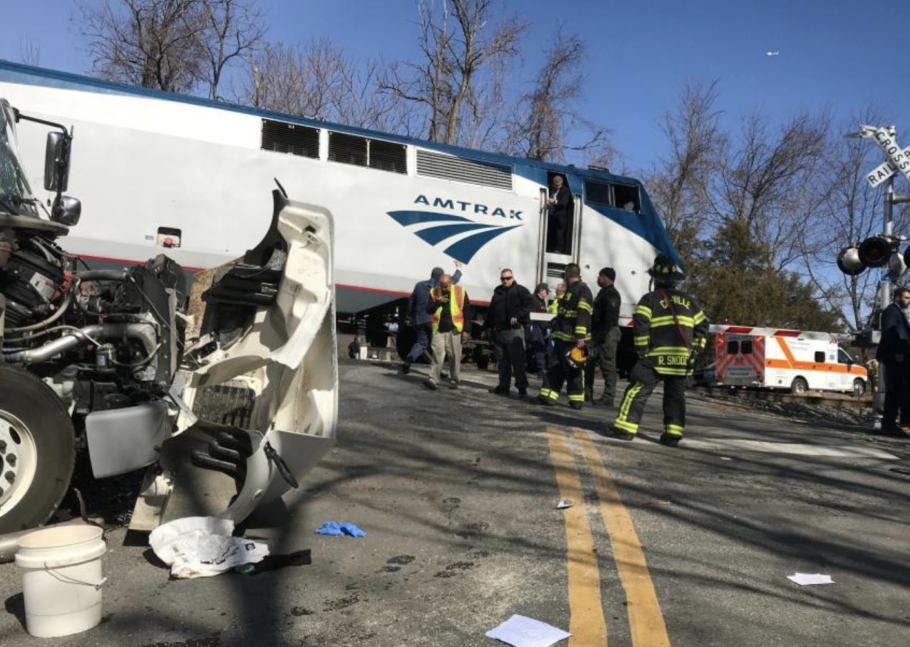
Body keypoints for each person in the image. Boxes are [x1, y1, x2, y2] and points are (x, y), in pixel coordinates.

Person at [609, 254, 708, 447]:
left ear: (655, 279)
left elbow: (641, 325)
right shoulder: (690, 301)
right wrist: (695, 351)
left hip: (654, 358)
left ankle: (625, 429)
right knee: (675, 396)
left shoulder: (650, 299)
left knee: (637, 391)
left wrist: (642, 350)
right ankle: (672, 435)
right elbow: (703, 325)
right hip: (681, 361)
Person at [534, 263, 593, 410]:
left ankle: (575, 400)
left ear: (568, 275)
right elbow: (566, 314)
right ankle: (550, 397)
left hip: (574, 339)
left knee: (573, 367)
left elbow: (583, 315)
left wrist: (580, 336)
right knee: (558, 367)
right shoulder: (572, 290)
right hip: (563, 337)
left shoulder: (583, 291)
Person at [401, 262, 462, 374]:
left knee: (421, 342)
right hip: (434, 320)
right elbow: (455, 278)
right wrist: (459, 268)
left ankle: (409, 359)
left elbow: (411, 301)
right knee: (438, 346)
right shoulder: (441, 285)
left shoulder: (419, 285)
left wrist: (410, 316)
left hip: (420, 319)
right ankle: (437, 372)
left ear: (431, 274)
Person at [487, 268, 534, 397]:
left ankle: (522, 389)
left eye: (508, 278)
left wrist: (518, 315)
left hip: (513, 332)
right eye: (503, 278)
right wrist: (487, 326)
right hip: (499, 331)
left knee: (517, 362)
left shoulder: (520, 290)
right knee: (502, 362)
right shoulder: (498, 292)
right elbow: (491, 310)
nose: (505, 281)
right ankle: (503, 387)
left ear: (512, 277)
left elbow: (530, 305)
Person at [425, 273, 471, 390]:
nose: (443, 288)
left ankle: (454, 380)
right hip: (439, 329)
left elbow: (467, 311)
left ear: (450, 283)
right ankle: (433, 379)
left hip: (454, 329)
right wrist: (438, 302)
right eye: (441, 285)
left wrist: (466, 330)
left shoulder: (460, 291)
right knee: (437, 355)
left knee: (454, 356)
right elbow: (428, 310)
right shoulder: (434, 292)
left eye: (445, 286)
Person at [585, 268, 622, 407]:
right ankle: (586, 393)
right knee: (588, 364)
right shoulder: (603, 293)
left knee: (607, 365)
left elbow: (609, 318)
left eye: (600, 276)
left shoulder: (612, 294)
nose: (597, 278)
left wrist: (600, 337)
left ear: (607, 277)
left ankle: (608, 397)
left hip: (607, 333)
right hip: (598, 332)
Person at [876, 287, 910, 435]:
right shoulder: (891, 311)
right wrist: (897, 354)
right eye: (906, 298)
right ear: (897, 297)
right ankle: (889, 424)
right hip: (896, 358)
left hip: (901, 358)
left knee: (901, 391)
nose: (908, 301)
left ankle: (899, 423)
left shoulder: (897, 312)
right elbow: (889, 335)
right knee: (895, 391)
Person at [527, 283, 552, 390]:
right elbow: (534, 315)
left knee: (538, 348)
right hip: (535, 326)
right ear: (540, 290)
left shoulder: (541, 301)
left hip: (540, 327)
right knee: (539, 347)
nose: (547, 293)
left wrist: (547, 326)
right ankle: (541, 369)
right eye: (546, 291)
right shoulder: (534, 300)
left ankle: (535, 367)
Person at [546, 176, 572, 254]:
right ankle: (549, 247)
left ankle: (558, 250)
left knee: (559, 233)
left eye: (557, 185)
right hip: (551, 214)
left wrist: (554, 201)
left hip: (560, 216)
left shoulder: (566, 190)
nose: (555, 187)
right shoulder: (550, 188)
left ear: (561, 184)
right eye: (554, 185)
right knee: (550, 232)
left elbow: (564, 203)